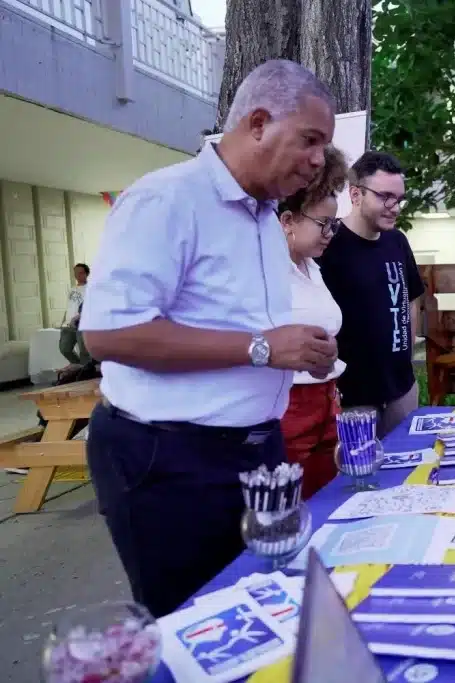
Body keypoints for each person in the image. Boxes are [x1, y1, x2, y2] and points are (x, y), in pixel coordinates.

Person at [80, 59, 339, 618]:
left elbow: (246, 326)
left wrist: (303, 351)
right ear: (258, 123)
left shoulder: (266, 218)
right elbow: (107, 332)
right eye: (310, 139)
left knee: (265, 610)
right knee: (193, 624)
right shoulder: (167, 199)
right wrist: (263, 348)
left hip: (255, 452)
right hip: (170, 459)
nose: (319, 160)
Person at [318, 151, 425, 436]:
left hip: (402, 391)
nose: (395, 207)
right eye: (385, 197)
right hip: (352, 398)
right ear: (356, 194)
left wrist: (406, 352)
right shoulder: (328, 244)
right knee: (359, 479)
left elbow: (412, 297)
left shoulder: (397, 242)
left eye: (400, 199)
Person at [277, 145, 349, 499]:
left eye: (334, 225)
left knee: (329, 499)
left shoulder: (312, 268)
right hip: (288, 405)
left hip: (327, 401)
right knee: (293, 505)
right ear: (287, 221)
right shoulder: (268, 272)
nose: (330, 234)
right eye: (323, 224)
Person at [58, 263, 90, 365]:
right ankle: (80, 367)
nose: (78, 275)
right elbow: (69, 306)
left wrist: (77, 317)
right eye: (76, 273)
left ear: (86, 274)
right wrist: (63, 321)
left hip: (82, 324)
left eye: (80, 273)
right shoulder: (72, 289)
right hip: (68, 325)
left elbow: (90, 307)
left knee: (84, 352)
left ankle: (87, 373)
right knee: (65, 349)